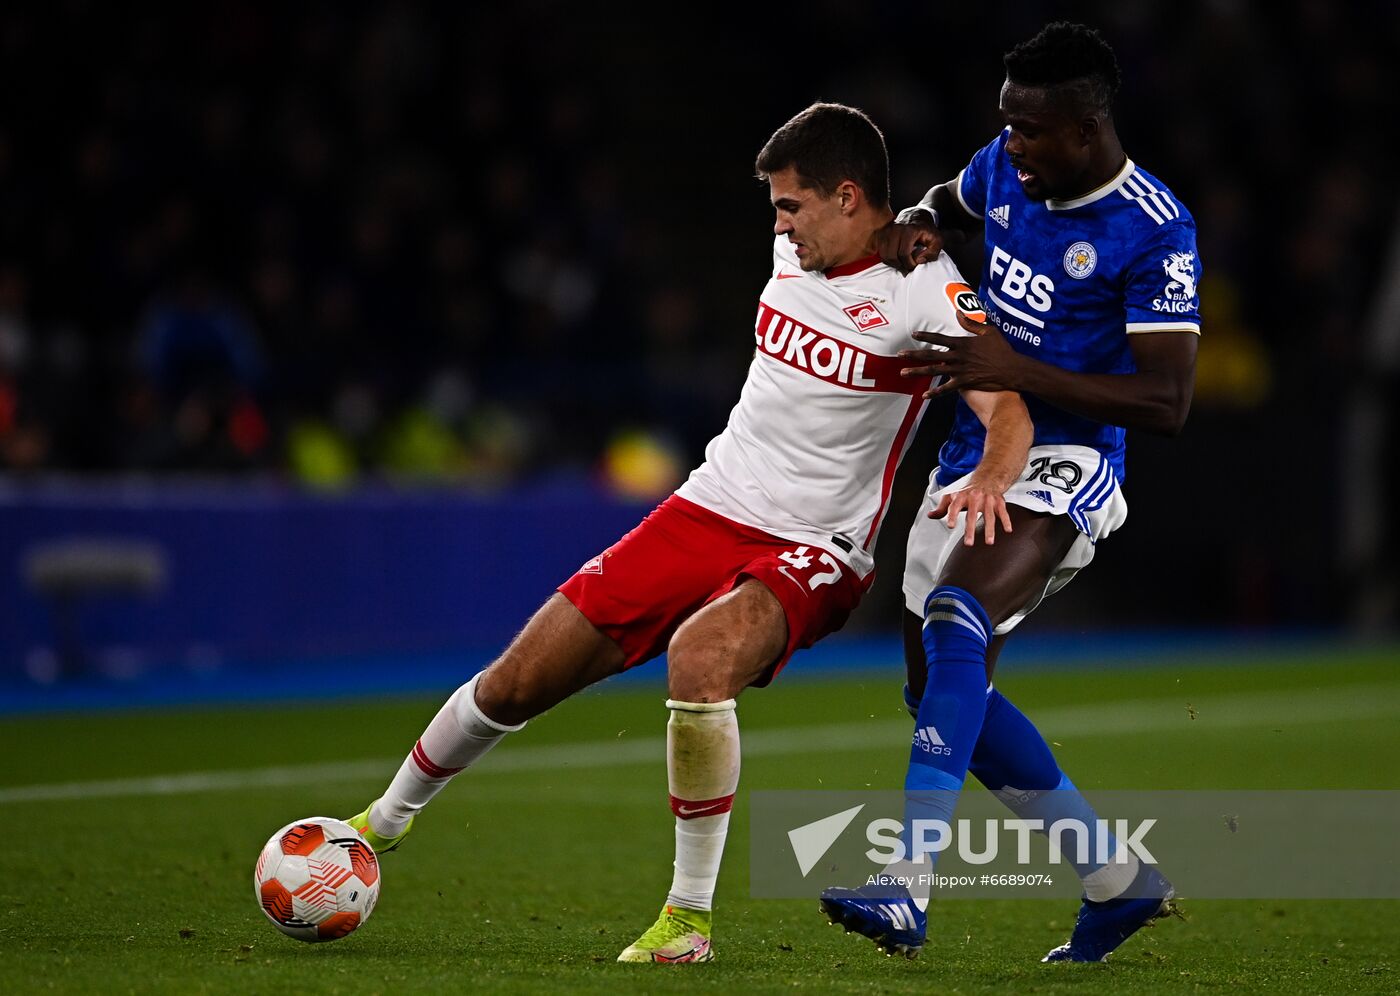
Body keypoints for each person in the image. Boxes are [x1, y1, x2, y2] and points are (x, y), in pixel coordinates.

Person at [343, 102, 1034, 964]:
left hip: (817, 544)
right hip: (708, 506)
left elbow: (1006, 404)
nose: (778, 225)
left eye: (791, 205)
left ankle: (687, 921)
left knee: (701, 659)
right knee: (518, 679)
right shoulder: (798, 249)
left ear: (848, 196)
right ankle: (374, 825)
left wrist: (992, 476)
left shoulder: (925, 292)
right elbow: (890, 223)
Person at [818, 22, 1200, 963]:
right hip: (971, 449)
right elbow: (955, 196)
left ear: (1088, 125)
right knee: (938, 693)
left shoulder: (1154, 229)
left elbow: (1167, 399)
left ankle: (906, 888)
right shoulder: (1006, 167)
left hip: (1069, 459)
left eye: (1032, 130)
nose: (1013, 145)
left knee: (959, 618)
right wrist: (918, 224)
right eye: (1007, 124)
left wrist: (1011, 362)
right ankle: (1115, 880)